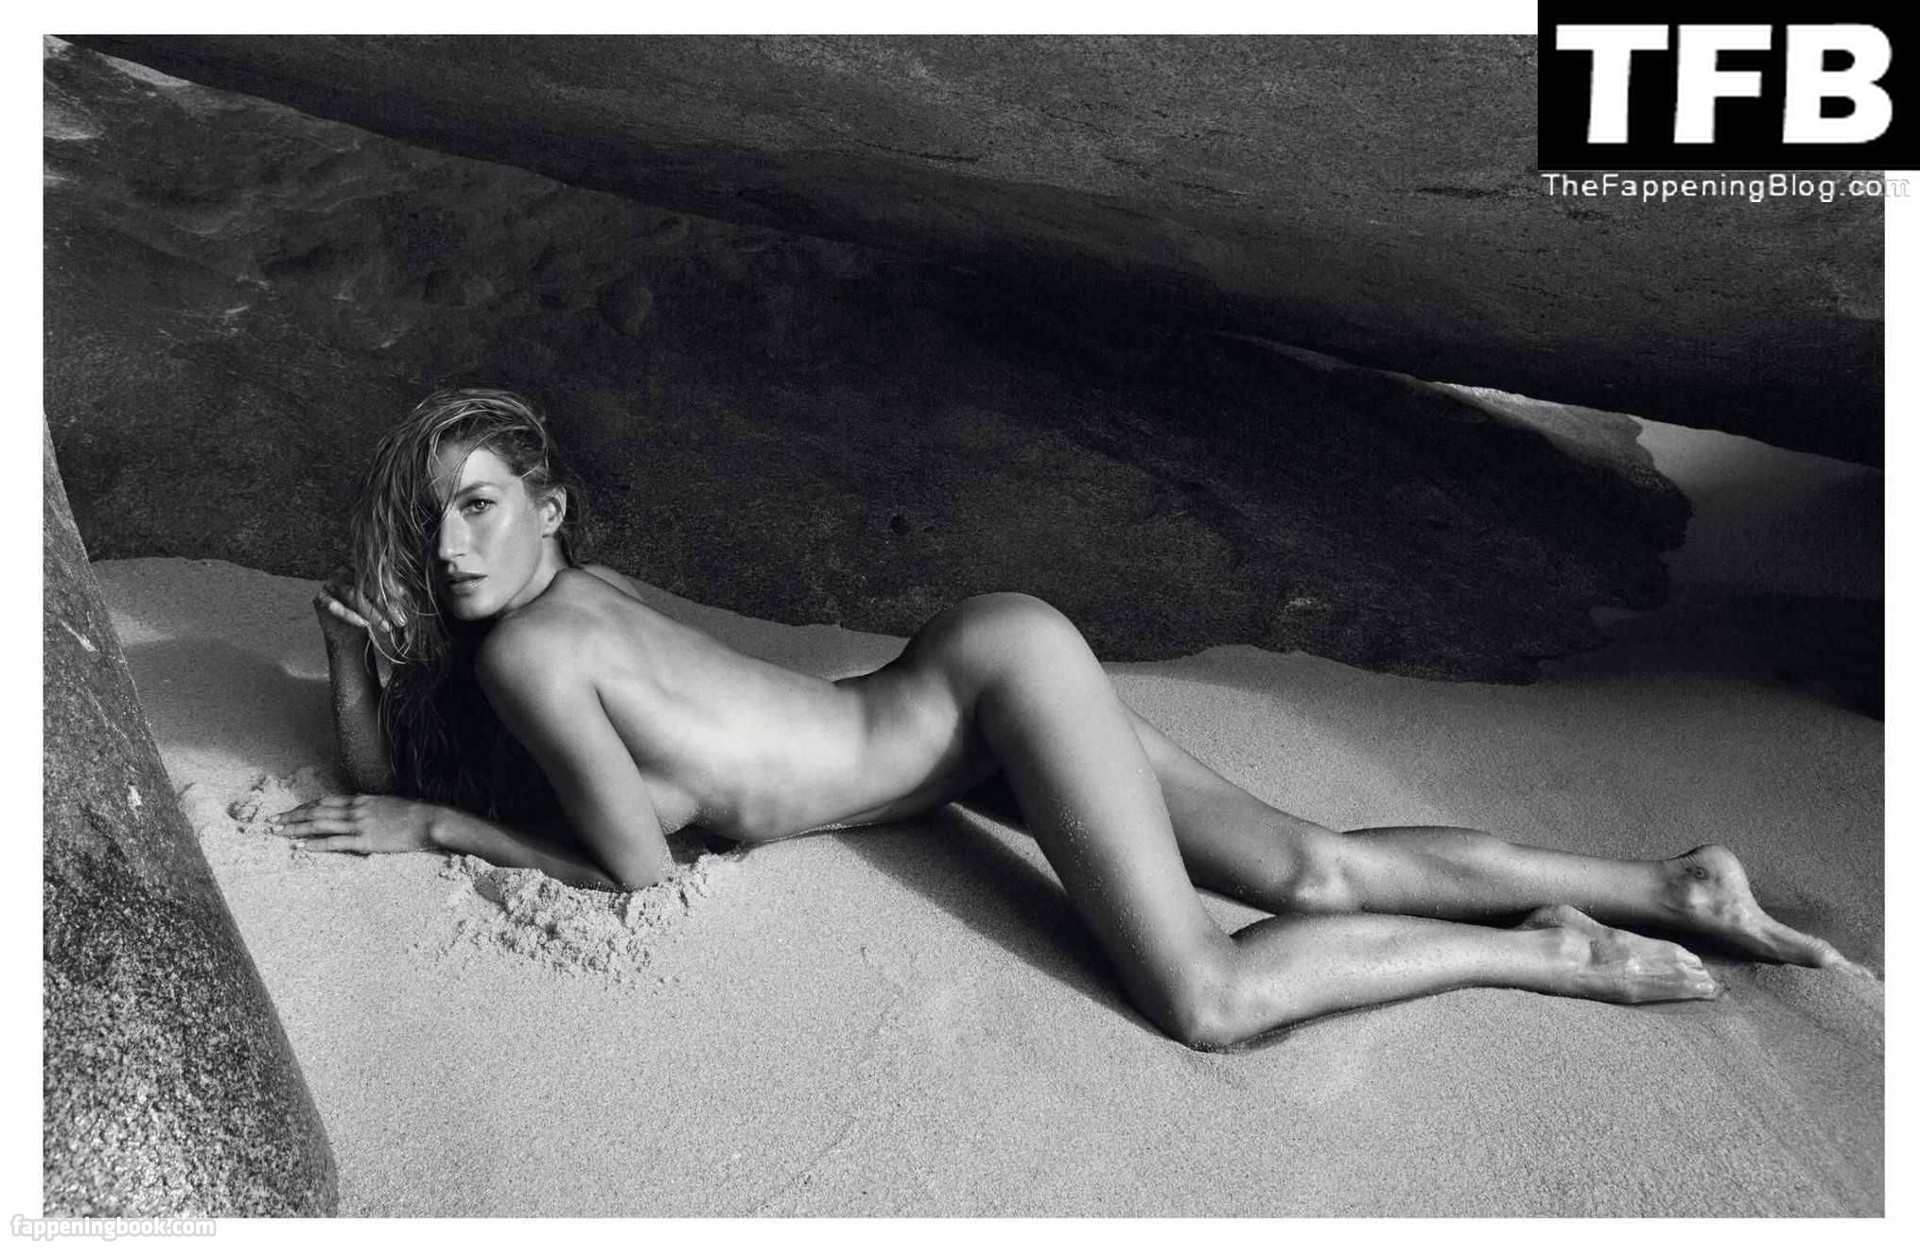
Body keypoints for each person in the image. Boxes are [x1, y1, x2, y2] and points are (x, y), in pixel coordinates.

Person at [275, 387, 1852, 1050]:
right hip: (971, 698)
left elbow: (636, 872)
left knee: (1208, 1000)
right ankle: (1672, 884)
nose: (453, 547)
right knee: (1306, 869)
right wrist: (356, 683)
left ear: (548, 507)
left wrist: (434, 819)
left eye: (479, 507)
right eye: (433, 524)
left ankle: (1549, 949)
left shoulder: (533, 659)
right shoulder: (569, 610)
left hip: (981, 701)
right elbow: (626, 788)